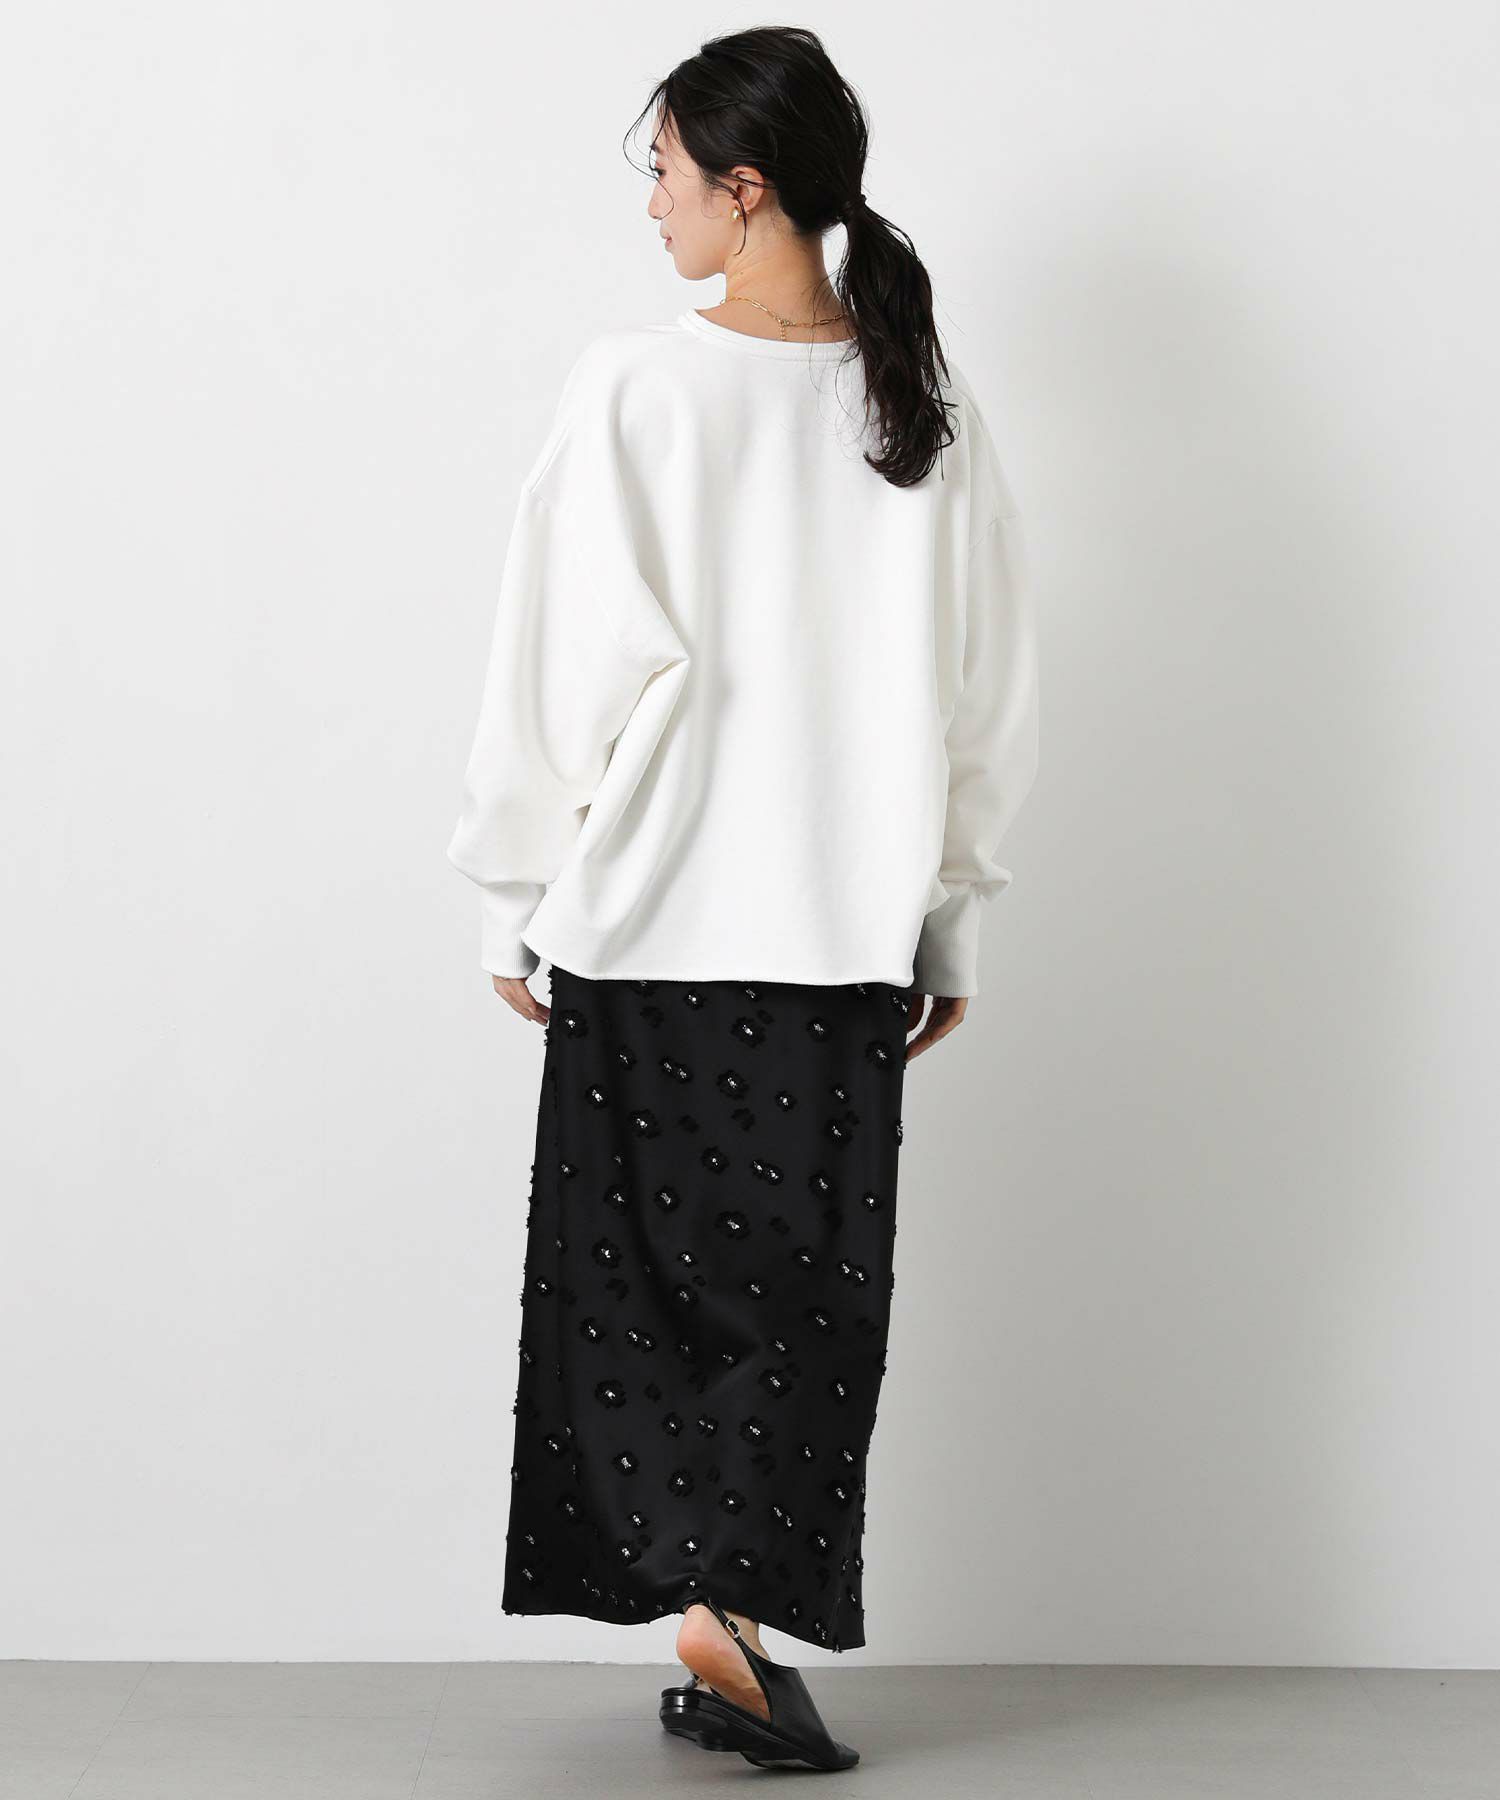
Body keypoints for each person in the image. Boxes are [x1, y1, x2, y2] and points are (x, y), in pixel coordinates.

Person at [445, 25, 1039, 1774]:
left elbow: (558, 663)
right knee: (802, 1312)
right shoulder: (923, 406)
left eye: (665, 173)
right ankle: (737, 1634)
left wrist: (515, 888)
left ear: (746, 186)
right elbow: (984, 697)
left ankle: (717, 1628)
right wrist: (951, 915)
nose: (653, 207)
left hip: (650, 933)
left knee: (640, 1299)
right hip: (841, 945)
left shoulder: (639, 388)